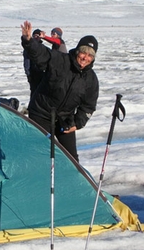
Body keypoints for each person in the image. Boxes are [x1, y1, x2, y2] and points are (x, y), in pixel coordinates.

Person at [20, 20, 99, 162]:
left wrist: (76, 123)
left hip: (64, 119)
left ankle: (70, 183)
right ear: (78, 51)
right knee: (37, 154)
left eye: (90, 56)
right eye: (83, 53)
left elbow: (88, 105)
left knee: (72, 159)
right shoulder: (60, 60)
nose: (85, 58)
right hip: (41, 114)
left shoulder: (91, 80)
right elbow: (41, 54)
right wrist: (28, 41)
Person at [23, 29, 45, 99]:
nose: (36, 38)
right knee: (34, 91)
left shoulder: (42, 47)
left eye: (38, 36)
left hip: (42, 72)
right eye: (34, 36)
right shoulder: (28, 48)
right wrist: (28, 73)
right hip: (33, 73)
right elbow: (27, 61)